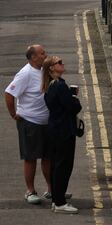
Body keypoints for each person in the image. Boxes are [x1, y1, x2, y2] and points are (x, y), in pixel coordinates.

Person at [4, 44, 51, 204]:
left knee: (48, 157)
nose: (45, 55)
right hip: (30, 122)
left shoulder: (45, 69)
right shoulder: (25, 74)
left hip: (47, 122)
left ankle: (51, 190)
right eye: (42, 53)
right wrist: (13, 114)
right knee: (30, 157)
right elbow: (9, 93)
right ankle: (30, 191)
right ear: (33, 57)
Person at [42, 55, 81, 214]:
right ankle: (60, 203)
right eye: (59, 62)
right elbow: (73, 107)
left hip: (55, 129)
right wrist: (74, 98)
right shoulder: (59, 86)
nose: (62, 64)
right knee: (63, 166)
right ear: (51, 68)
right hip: (63, 131)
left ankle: (56, 199)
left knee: (56, 165)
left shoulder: (50, 86)